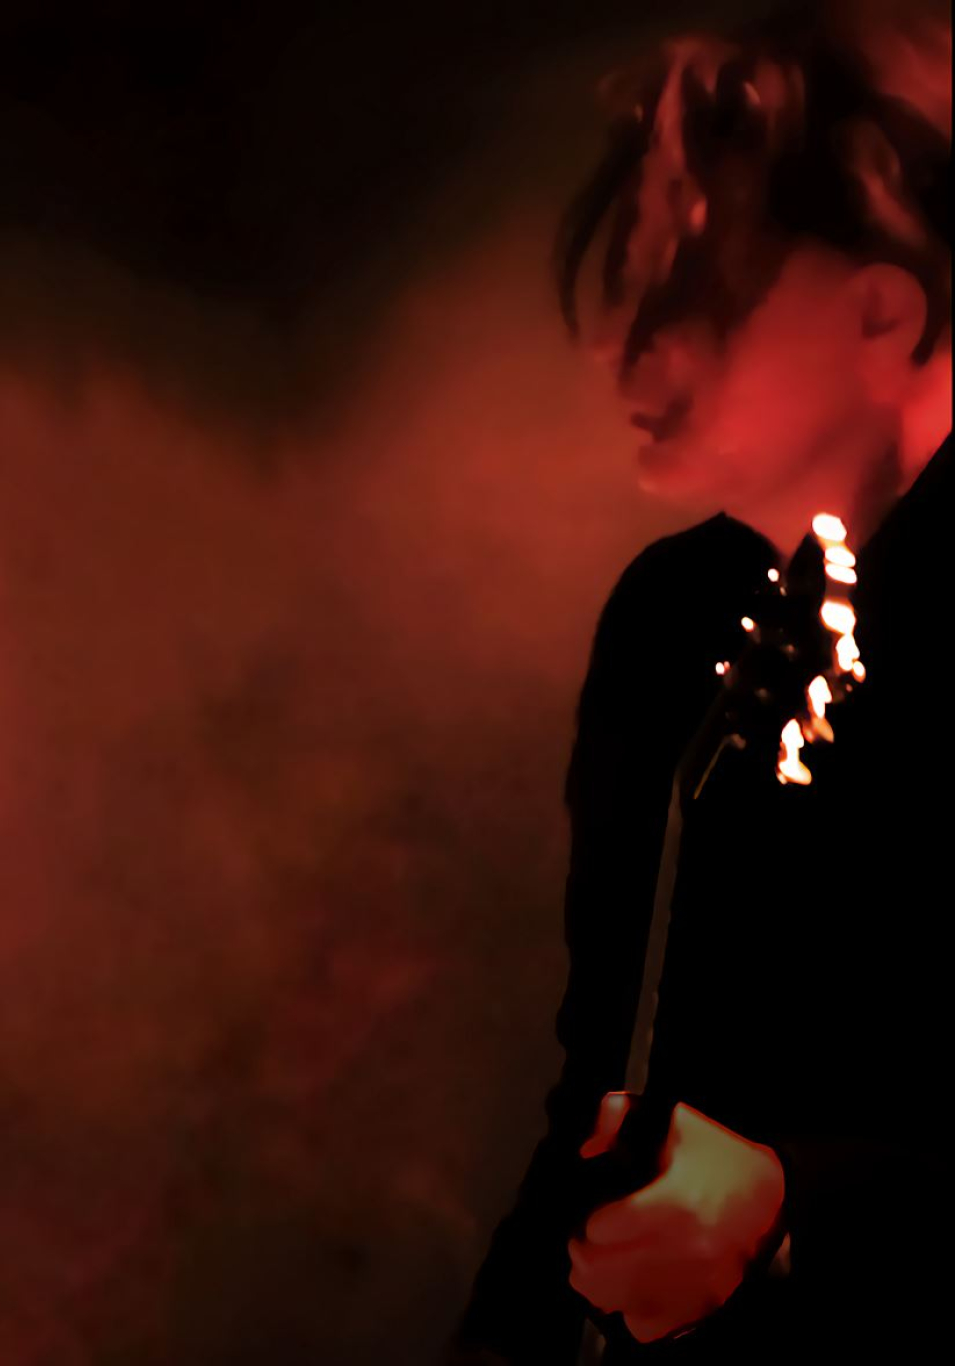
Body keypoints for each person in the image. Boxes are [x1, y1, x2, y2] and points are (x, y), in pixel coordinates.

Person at [447, 2, 951, 1362]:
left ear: (885, 310)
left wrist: (796, 1209)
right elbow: (602, 1096)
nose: (630, 342)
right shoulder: (667, 620)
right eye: (636, 275)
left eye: (703, 287)